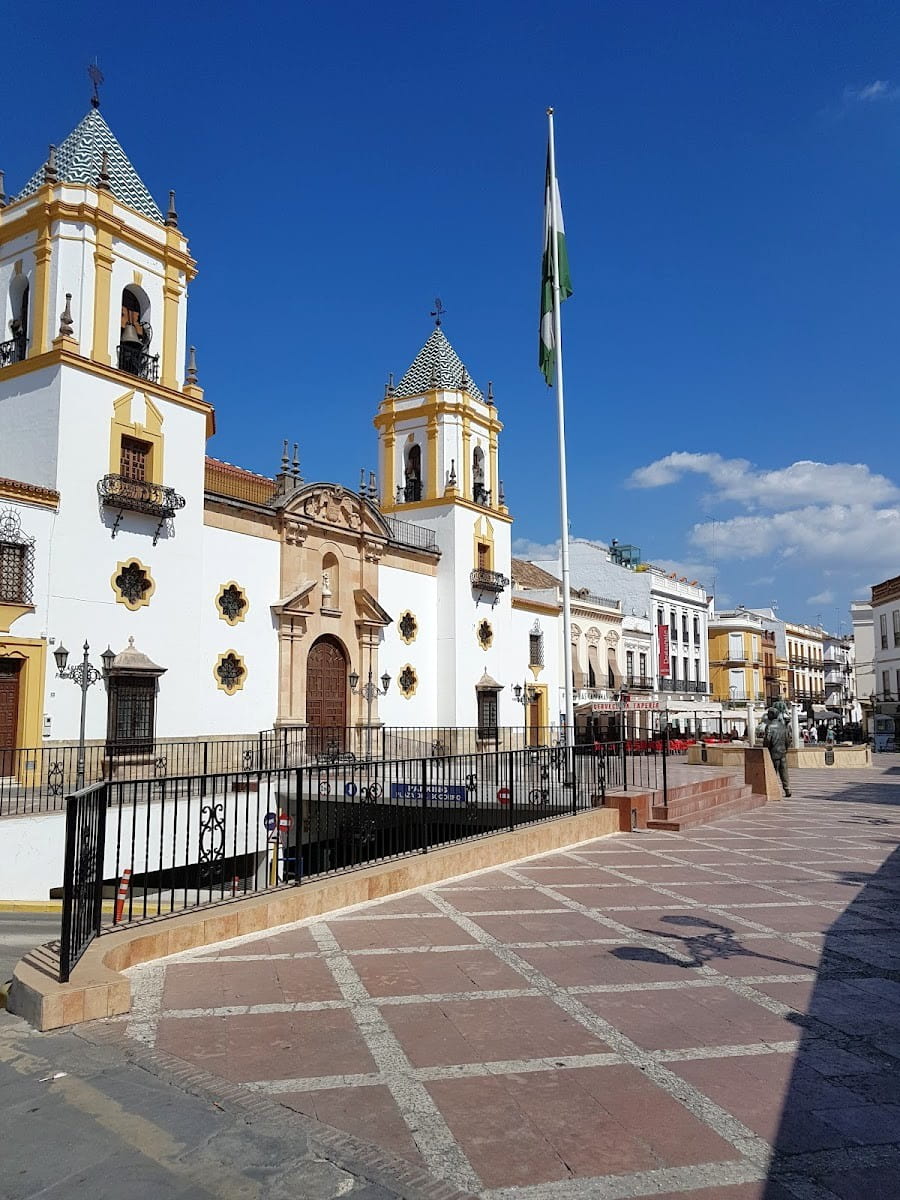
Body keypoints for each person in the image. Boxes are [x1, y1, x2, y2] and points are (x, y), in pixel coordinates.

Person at [763, 706, 792, 797]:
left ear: (772, 715)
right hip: (782, 752)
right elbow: (788, 740)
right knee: (784, 772)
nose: (767, 715)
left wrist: (765, 749)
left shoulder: (769, 727)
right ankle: (787, 789)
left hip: (773, 752)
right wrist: (785, 749)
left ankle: (773, 790)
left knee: (773, 772)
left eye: (769, 714)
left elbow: (767, 740)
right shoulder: (783, 726)